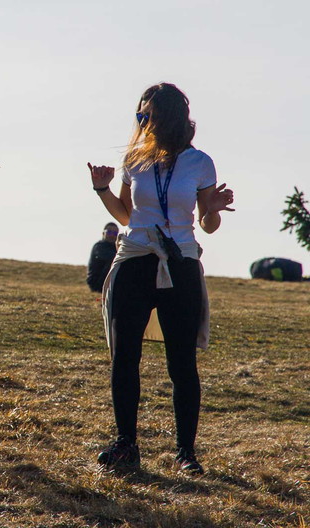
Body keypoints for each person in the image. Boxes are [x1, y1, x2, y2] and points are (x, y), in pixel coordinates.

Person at [87, 83, 235, 474]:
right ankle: (125, 445)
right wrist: (102, 189)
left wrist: (213, 209)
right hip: (134, 259)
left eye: (147, 114)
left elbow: (207, 225)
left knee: (182, 362)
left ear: (168, 117)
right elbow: (126, 215)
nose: (141, 121)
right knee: (124, 356)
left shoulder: (200, 162)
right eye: (138, 115)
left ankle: (186, 452)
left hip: (180, 263)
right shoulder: (134, 159)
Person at [86, 222, 119, 292]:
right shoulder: (99, 246)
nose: (112, 235)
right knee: (114, 262)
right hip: (97, 283)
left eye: (115, 233)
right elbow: (112, 258)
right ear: (103, 233)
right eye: (109, 232)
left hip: (110, 283)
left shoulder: (117, 247)